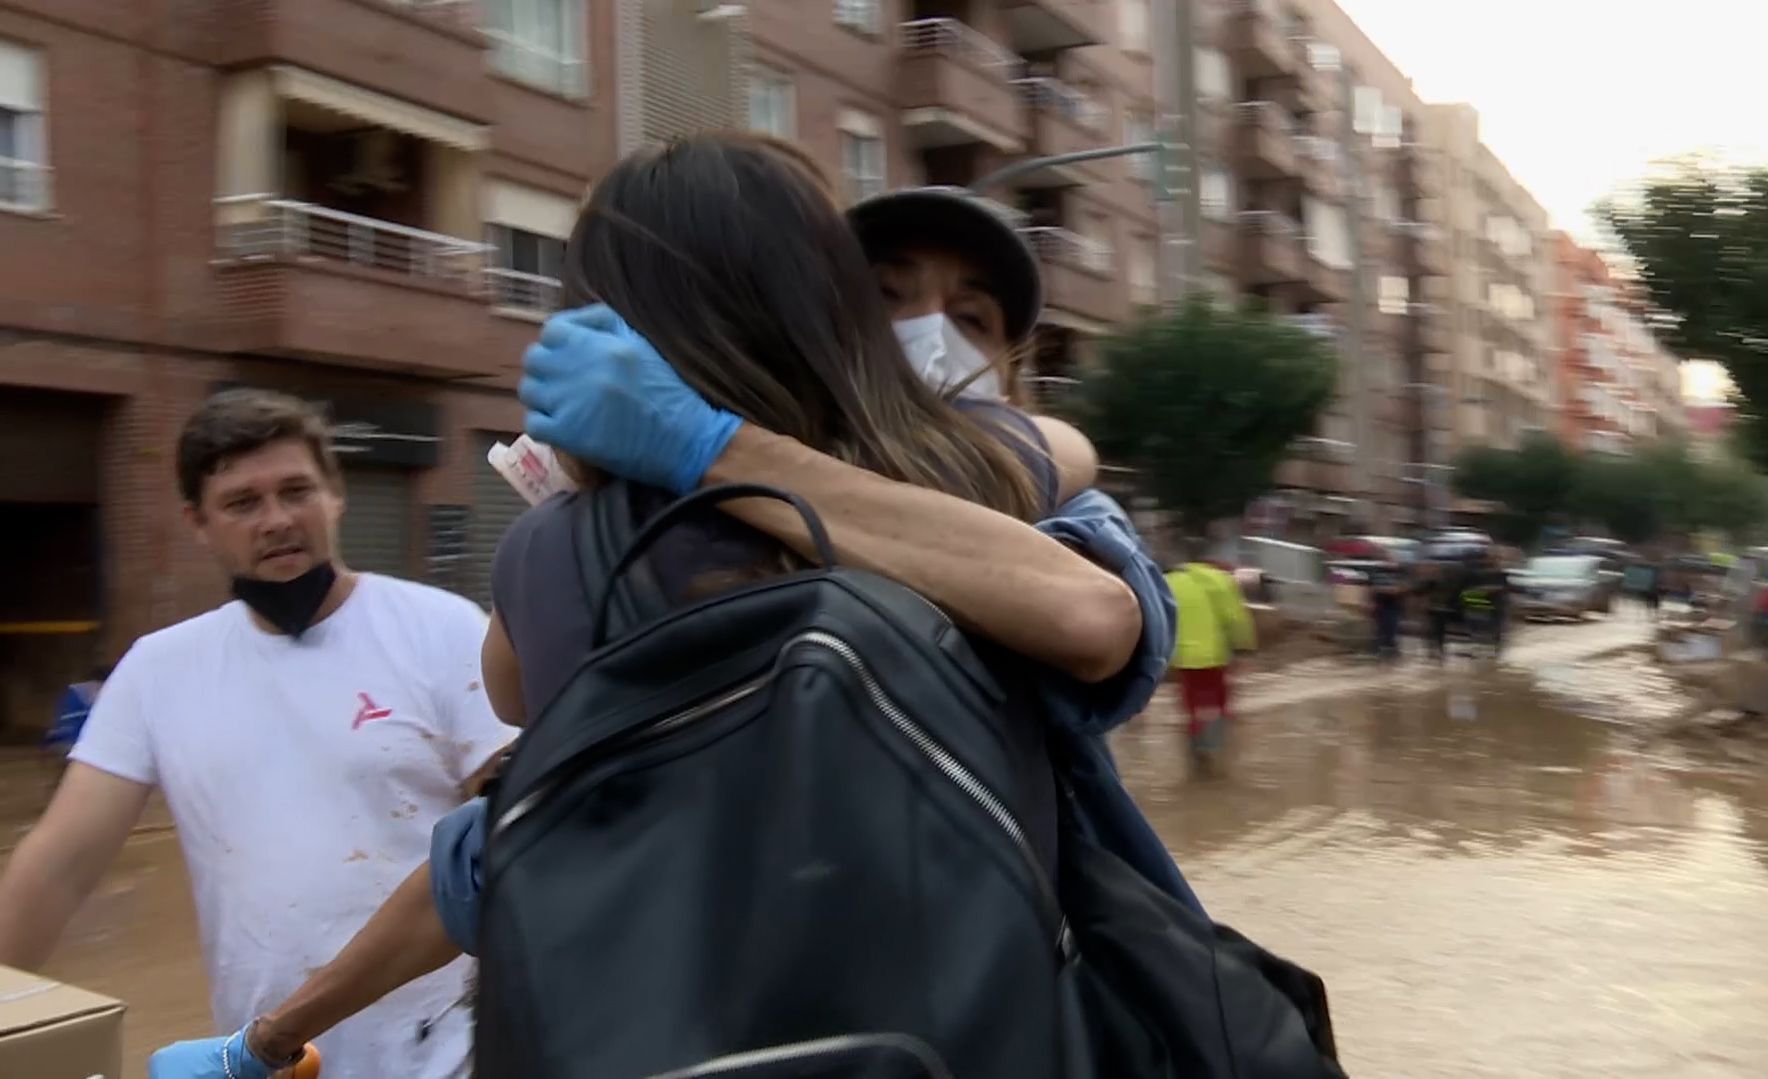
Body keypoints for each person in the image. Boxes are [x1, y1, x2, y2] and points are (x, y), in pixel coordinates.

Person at [152, 134, 1185, 1074]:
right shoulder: (972, 482)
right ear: (827, 312)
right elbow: (1099, 608)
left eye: (968, 317)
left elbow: (500, 804)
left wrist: (265, 1041)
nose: (932, 340)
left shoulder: (549, 557)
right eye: (890, 296)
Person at [0, 390, 518, 1079]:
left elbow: (515, 839)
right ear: (197, 522)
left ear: (336, 495)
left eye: (296, 490)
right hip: (269, 1062)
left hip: (453, 1053)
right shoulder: (160, 670)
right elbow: (59, 863)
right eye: (243, 502)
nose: (277, 519)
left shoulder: (441, 630)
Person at [1166, 547, 1255, 766]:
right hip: (1213, 657)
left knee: (1193, 705)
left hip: (1181, 657)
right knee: (1217, 704)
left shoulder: (1168, 581)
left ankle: (1197, 752)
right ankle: (1214, 756)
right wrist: (1245, 649)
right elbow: (1237, 619)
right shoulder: (1221, 580)